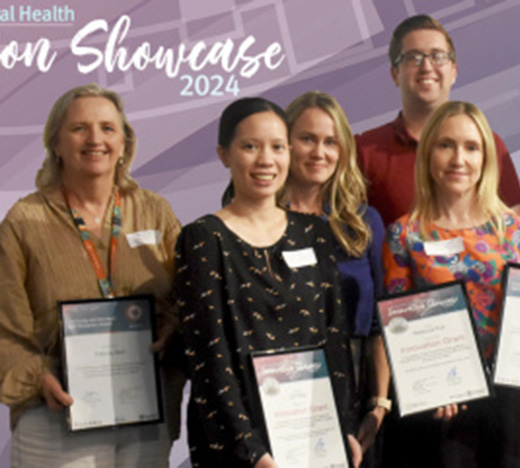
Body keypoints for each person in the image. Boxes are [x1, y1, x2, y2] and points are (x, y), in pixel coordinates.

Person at [0, 83, 183, 467]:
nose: (95, 139)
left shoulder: (155, 212)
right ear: (57, 143)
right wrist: (38, 378)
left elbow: (187, 298)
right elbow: (4, 329)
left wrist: (172, 330)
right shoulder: (23, 221)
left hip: (146, 414)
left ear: (124, 143)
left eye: (107, 128)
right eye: (79, 128)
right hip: (56, 417)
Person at [174, 97, 361, 468]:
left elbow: (335, 340)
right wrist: (253, 451)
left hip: (312, 438)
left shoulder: (315, 233)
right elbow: (209, 359)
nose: (266, 160)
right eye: (250, 146)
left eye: (277, 147)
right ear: (224, 155)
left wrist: (343, 428)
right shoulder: (203, 239)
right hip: (237, 449)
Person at [382, 101, 520, 467]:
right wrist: (430, 379)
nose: (459, 158)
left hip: (518, 400)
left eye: (471, 147)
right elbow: (400, 324)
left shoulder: (517, 233)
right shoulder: (404, 235)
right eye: (446, 145)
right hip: (443, 405)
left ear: (486, 158)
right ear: (428, 154)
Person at [279, 91, 388, 459]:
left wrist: (380, 405)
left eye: (330, 141)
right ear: (285, 143)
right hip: (283, 389)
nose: (318, 152)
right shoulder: (258, 224)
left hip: (356, 392)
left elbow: (379, 325)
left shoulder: (364, 224)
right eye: (306, 139)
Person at [355, 14, 520, 226]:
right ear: (395, 74)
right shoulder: (363, 152)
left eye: (438, 56)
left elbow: (517, 236)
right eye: (413, 57)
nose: (426, 66)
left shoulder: (488, 145)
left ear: (453, 72)